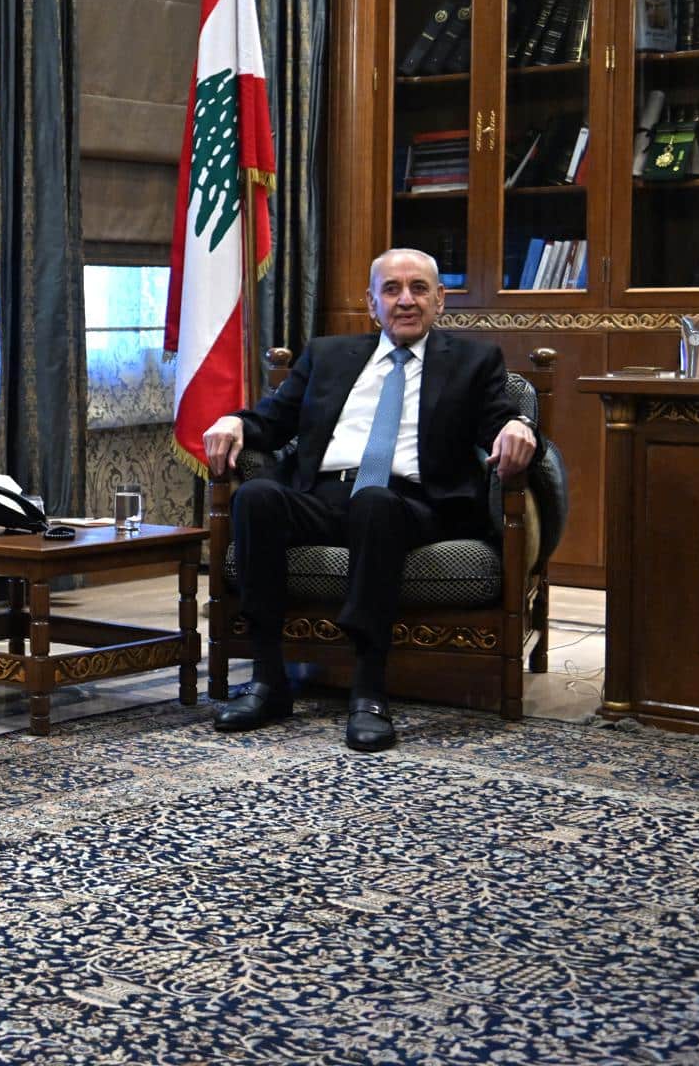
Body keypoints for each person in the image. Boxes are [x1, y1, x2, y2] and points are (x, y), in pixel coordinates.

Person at [201, 248, 538, 752]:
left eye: (419, 289)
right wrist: (235, 421)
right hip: (324, 495)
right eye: (392, 289)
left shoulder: (474, 361)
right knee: (256, 498)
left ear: (440, 300)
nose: (406, 300)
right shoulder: (328, 355)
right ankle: (269, 681)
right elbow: (273, 420)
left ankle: (368, 688)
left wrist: (519, 425)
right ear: (372, 303)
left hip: (412, 503)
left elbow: (501, 418)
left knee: (375, 504)